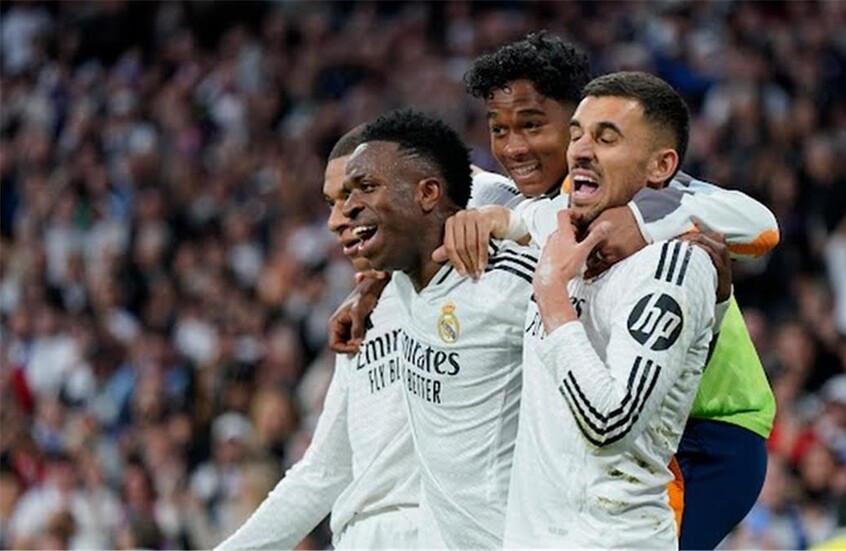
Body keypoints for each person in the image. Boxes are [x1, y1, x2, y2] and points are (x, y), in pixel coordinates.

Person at [456, 31, 776, 549]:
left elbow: (759, 222)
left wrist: (639, 222)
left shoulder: (658, 195)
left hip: (707, 429)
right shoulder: (547, 206)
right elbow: (448, 183)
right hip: (622, 427)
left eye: (533, 125)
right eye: (499, 129)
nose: (514, 147)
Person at [505, 70, 718, 549]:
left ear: (661, 166)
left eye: (606, 138)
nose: (580, 151)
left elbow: (609, 423)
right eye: (577, 134)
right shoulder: (562, 239)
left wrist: (552, 294)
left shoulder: (674, 266)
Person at [216, 126, 421, 550]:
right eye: (332, 202)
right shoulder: (359, 317)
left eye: (355, 194)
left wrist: (489, 218)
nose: (337, 219)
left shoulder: (471, 269)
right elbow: (322, 472)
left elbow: (480, 184)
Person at [338, 109, 534, 549]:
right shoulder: (400, 284)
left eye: (367, 187)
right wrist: (370, 286)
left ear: (428, 193)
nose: (348, 208)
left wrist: (511, 223)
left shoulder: (505, 283)